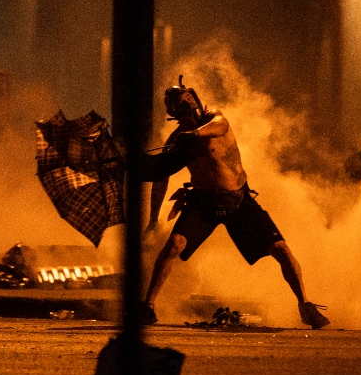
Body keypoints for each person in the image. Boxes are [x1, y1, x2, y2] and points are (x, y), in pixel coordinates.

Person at [139, 76, 330, 329]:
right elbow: (161, 176)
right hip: (203, 202)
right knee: (174, 245)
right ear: (174, 114)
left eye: (188, 105)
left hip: (238, 201)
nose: (187, 111)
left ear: (195, 102)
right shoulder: (178, 140)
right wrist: (153, 218)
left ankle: (305, 305)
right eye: (180, 109)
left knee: (281, 249)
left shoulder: (214, 119)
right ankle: (148, 307)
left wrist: (194, 133)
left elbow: (220, 126)